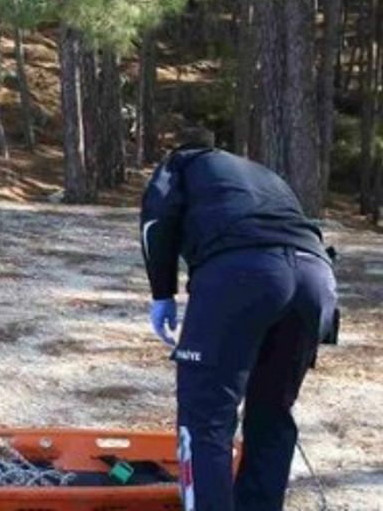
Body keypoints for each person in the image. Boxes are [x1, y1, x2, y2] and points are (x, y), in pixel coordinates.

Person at [140, 127, 337, 511]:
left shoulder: (181, 163)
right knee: (272, 411)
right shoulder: (263, 174)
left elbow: (155, 223)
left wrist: (162, 293)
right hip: (316, 278)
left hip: (242, 275)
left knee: (205, 419)